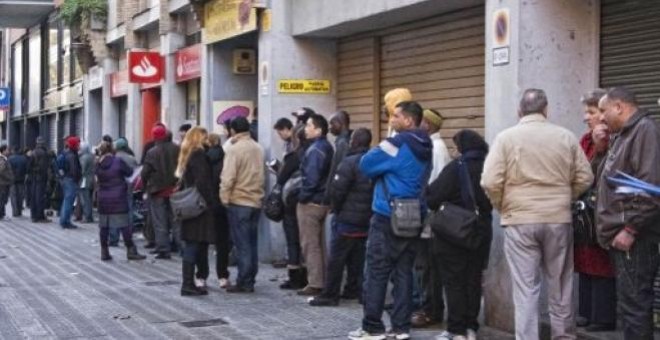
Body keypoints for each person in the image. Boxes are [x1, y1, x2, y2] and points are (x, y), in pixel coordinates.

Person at [481, 89, 593, 340]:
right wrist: (565, 197)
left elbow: (489, 181)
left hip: (519, 220)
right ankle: (563, 336)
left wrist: (504, 206)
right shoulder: (565, 136)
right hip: (558, 219)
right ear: (546, 110)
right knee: (561, 286)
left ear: (519, 111)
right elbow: (586, 177)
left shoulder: (505, 138)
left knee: (526, 290)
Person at [348, 101, 432, 340]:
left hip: (387, 214)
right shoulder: (426, 146)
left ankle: (372, 326)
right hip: (413, 214)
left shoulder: (395, 144)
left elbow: (365, 164)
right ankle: (401, 327)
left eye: (396, 116)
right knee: (404, 271)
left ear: (408, 120)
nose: (391, 120)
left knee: (376, 271)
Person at [596, 87, 660, 340]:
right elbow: (608, 181)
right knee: (630, 304)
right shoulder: (623, 135)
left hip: (636, 236)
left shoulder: (644, 131)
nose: (600, 117)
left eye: (603, 110)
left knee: (635, 306)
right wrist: (601, 148)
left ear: (619, 107)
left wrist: (631, 229)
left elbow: (651, 187)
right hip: (623, 233)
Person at [427, 130, 492, 340]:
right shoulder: (490, 166)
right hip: (481, 230)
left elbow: (433, 197)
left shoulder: (457, 167)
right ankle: (471, 327)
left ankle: (456, 329)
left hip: (453, 233)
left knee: (453, 281)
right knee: (473, 279)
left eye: (456, 147)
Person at [310, 128, 373, 307]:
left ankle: (330, 295)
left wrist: (336, 210)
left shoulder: (349, 162)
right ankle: (355, 290)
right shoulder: (373, 161)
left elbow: (338, 191)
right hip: (366, 220)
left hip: (347, 220)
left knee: (337, 259)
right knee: (359, 259)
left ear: (354, 141)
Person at [574, 89, 616, 332]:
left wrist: (600, 149)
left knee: (601, 263)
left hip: (604, 211)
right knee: (584, 259)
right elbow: (580, 172)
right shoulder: (585, 140)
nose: (586, 117)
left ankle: (603, 316)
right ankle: (586, 312)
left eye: (591, 112)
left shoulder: (617, 139)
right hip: (584, 212)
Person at [412, 108, 451, 329]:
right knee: (427, 267)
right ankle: (430, 308)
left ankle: (430, 311)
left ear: (428, 124)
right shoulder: (436, 146)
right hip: (430, 213)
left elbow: (431, 183)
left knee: (427, 267)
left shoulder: (435, 148)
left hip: (429, 216)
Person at [220, 117, 265, 293]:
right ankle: (250, 278)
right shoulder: (258, 147)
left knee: (242, 244)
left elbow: (228, 177)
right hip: (255, 200)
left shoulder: (234, 149)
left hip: (239, 201)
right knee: (252, 243)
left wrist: (224, 198)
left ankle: (244, 280)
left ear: (232, 130)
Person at [176, 126, 217, 296]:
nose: (207, 140)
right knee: (194, 244)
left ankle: (189, 282)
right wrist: (211, 201)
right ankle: (187, 284)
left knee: (193, 243)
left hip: (190, 206)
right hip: (199, 207)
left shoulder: (187, 154)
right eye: (205, 137)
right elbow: (203, 182)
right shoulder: (198, 155)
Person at [297, 113, 334, 296]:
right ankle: (322, 280)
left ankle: (315, 282)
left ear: (318, 130)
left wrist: (303, 197)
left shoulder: (317, 150)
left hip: (313, 203)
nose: (305, 128)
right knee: (318, 244)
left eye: (309, 125)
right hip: (321, 200)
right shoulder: (324, 147)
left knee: (310, 243)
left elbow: (311, 178)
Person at [95, 141, 146, 262]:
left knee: (104, 226)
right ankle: (131, 250)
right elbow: (129, 172)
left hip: (103, 197)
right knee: (124, 224)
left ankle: (104, 251)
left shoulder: (97, 163)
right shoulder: (117, 162)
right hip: (118, 196)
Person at [274, 118, 307, 290]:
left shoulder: (295, 156)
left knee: (293, 239)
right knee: (306, 240)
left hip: (292, 201)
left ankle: (295, 276)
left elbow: (282, 177)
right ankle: (306, 275)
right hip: (306, 200)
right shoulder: (312, 152)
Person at [141, 125, 181, 259]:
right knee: (176, 219)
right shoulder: (177, 149)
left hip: (157, 190)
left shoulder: (152, 152)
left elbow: (145, 172)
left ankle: (163, 248)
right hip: (174, 188)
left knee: (160, 221)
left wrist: (144, 186)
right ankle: (180, 246)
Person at [202, 133, 231, 289]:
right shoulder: (225, 157)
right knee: (222, 242)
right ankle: (223, 276)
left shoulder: (203, 158)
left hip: (205, 204)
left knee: (203, 241)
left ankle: (201, 276)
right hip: (221, 203)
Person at [111, 137, 139, 246]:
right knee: (129, 209)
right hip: (128, 187)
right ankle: (128, 234)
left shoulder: (112, 158)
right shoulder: (131, 158)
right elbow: (135, 173)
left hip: (115, 188)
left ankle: (114, 236)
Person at [58, 136, 83, 229]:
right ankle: (65, 221)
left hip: (66, 179)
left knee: (66, 200)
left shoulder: (66, 153)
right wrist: (77, 178)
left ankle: (63, 220)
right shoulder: (72, 155)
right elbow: (74, 170)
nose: (79, 145)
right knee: (69, 201)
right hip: (71, 180)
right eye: (78, 144)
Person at [28, 137, 50, 222]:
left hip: (34, 178)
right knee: (40, 197)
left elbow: (29, 166)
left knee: (33, 196)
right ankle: (39, 216)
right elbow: (44, 167)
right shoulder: (43, 153)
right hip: (41, 178)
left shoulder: (33, 152)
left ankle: (34, 215)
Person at [8, 146, 28, 217]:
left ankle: (15, 212)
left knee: (13, 196)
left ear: (13, 151)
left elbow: (8, 170)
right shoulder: (24, 159)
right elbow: (27, 170)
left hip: (12, 180)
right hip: (21, 180)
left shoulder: (10, 159)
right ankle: (19, 211)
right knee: (20, 196)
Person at [78, 142, 95, 223]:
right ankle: (89, 216)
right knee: (89, 199)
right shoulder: (92, 156)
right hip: (91, 180)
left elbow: (82, 170)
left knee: (85, 199)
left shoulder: (83, 158)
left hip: (85, 181)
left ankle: (87, 217)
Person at [0, 145, 14, 220]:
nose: (8, 151)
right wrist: (9, 177)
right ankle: (1, 215)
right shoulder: (2, 160)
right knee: (2, 199)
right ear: (3, 151)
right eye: (7, 150)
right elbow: (1, 171)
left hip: (3, 183)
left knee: (3, 199)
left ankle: (2, 214)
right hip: (3, 183)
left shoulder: (4, 159)